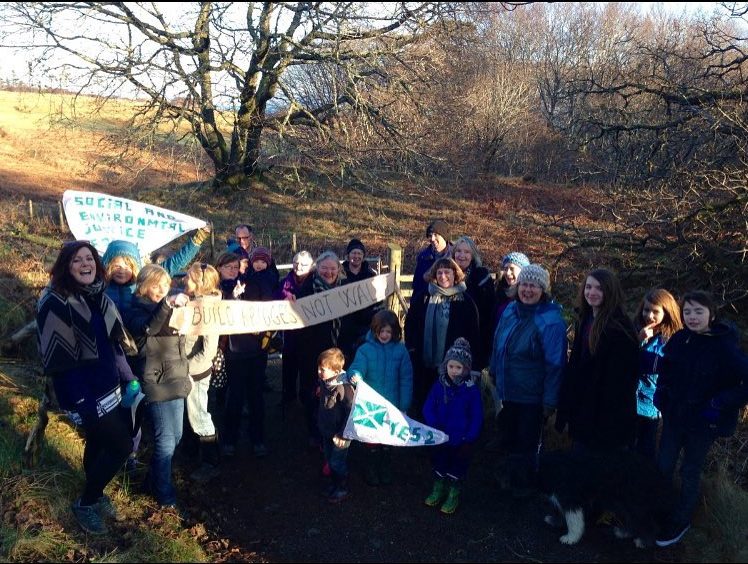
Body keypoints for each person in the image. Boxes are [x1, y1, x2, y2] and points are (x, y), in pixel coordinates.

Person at [36, 241, 135, 535]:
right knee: (122, 445)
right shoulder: (55, 301)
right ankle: (86, 502)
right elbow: (61, 362)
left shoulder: (98, 296)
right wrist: (83, 401)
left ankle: (96, 491)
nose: (85, 264)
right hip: (83, 394)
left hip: (109, 388)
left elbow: (112, 344)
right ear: (66, 266)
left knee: (100, 442)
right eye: (77, 260)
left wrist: (128, 376)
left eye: (89, 258)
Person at [653, 291, 748, 547]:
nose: (692, 317)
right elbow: (666, 369)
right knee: (663, 465)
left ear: (712, 314)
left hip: (704, 423)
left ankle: (680, 520)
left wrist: (721, 402)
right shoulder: (680, 339)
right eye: (687, 312)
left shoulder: (725, 346)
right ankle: (658, 511)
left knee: (690, 471)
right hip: (675, 417)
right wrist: (661, 392)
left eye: (698, 312)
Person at [125, 264, 191, 509]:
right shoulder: (134, 309)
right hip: (156, 380)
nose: (162, 290)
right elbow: (148, 329)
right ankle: (165, 496)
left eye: (165, 284)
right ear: (143, 286)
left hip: (177, 377)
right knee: (165, 440)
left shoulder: (170, 305)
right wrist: (167, 304)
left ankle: (151, 482)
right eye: (156, 285)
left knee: (177, 437)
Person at [555, 268, 639, 453]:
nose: (592, 293)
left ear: (610, 292)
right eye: (588, 287)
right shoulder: (584, 320)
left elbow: (621, 381)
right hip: (582, 408)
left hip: (606, 415)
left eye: (599, 289)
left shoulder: (620, 327)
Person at [489, 264, 567, 459]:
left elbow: (555, 365)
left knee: (525, 447)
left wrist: (549, 401)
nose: (527, 290)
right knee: (507, 439)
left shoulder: (551, 321)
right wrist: (493, 370)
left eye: (534, 285)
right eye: (524, 284)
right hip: (508, 390)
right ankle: (504, 479)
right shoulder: (510, 310)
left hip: (532, 398)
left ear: (543, 290)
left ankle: (523, 486)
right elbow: (498, 341)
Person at [404, 257, 479, 417]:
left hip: (454, 366)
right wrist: (412, 349)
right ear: (434, 275)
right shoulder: (423, 298)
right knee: (424, 404)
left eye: (447, 272)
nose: (443, 276)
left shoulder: (466, 302)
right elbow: (411, 325)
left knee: (450, 407)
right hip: (424, 363)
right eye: (439, 272)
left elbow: (473, 333)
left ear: (455, 275)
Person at [296, 251, 355, 446]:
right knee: (312, 393)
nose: (329, 272)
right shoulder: (306, 289)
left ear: (339, 270)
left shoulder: (348, 290)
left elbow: (355, 317)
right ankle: (314, 431)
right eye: (324, 268)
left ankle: (337, 429)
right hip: (312, 353)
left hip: (339, 351)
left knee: (338, 393)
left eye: (333, 268)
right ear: (317, 269)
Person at [220, 248, 274, 459]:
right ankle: (230, 439)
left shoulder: (252, 282)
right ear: (221, 267)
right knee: (234, 396)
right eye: (230, 266)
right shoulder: (216, 287)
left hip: (254, 348)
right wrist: (231, 298)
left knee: (256, 396)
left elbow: (267, 303)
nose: (234, 270)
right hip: (232, 350)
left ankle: (257, 438)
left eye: (237, 266)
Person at [348, 310, 413, 486]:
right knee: (372, 439)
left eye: (388, 332)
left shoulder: (401, 351)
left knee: (387, 439)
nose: (385, 335)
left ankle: (385, 467)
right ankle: (371, 467)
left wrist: (404, 404)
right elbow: (357, 367)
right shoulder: (365, 349)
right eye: (381, 331)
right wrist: (355, 375)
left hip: (392, 405)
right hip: (372, 406)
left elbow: (406, 379)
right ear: (375, 330)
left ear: (395, 333)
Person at [422, 338, 483, 515]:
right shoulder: (439, 385)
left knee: (458, 466)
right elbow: (428, 406)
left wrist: (470, 436)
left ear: (466, 369)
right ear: (446, 366)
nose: (454, 371)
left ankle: (453, 493)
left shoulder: (471, 390)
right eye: (451, 367)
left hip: (461, 438)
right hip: (441, 435)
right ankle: (438, 488)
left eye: (459, 368)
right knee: (439, 462)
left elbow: (476, 415)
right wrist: (433, 425)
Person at [183, 262, 222, 484]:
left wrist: (186, 369)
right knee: (191, 413)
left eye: (188, 278)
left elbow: (208, 350)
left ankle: (210, 463)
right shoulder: (194, 302)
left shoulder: (208, 309)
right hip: (187, 369)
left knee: (199, 416)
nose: (184, 281)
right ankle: (191, 452)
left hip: (195, 373)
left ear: (200, 283)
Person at [632, 289, 682, 461]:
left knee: (645, 451)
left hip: (651, 406)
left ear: (666, 313)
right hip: (629, 401)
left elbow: (653, 366)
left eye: (655, 312)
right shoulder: (635, 329)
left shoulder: (671, 340)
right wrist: (639, 340)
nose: (650, 316)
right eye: (647, 310)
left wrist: (640, 347)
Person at [276, 250, 315, 407]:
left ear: (311, 266)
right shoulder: (286, 281)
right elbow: (276, 295)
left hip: (310, 332)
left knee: (307, 367)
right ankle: (288, 395)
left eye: (303, 264)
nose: (299, 266)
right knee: (289, 366)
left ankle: (307, 397)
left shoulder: (315, 281)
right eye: (296, 263)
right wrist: (284, 297)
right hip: (291, 334)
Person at [317, 347, 355, 503]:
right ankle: (334, 484)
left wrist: (343, 434)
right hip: (327, 430)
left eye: (322, 369)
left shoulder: (344, 388)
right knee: (329, 458)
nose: (319, 372)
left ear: (335, 371)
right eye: (318, 368)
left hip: (341, 433)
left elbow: (350, 413)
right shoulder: (325, 382)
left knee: (337, 461)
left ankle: (341, 487)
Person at [451, 236, 495, 368]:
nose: (462, 255)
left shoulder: (481, 276)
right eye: (458, 251)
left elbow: (489, 313)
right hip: (450, 339)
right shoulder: (446, 274)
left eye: (467, 252)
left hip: (475, 339)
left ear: (473, 255)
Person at [342, 238, 382, 356]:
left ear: (363, 256)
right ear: (348, 255)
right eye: (353, 253)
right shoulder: (340, 274)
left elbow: (377, 298)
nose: (356, 256)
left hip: (365, 322)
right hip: (345, 323)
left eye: (359, 253)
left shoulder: (371, 275)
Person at [411, 219, 453, 301]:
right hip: (426, 304)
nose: (432, 239)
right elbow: (417, 286)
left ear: (444, 236)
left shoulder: (455, 256)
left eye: (436, 234)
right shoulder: (423, 257)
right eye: (430, 235)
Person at [494, 251, 530, 328]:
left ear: (523, 271)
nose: (507, 273)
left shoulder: (528, 298)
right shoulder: (500, 292)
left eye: (512, 269)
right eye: (506, 269)